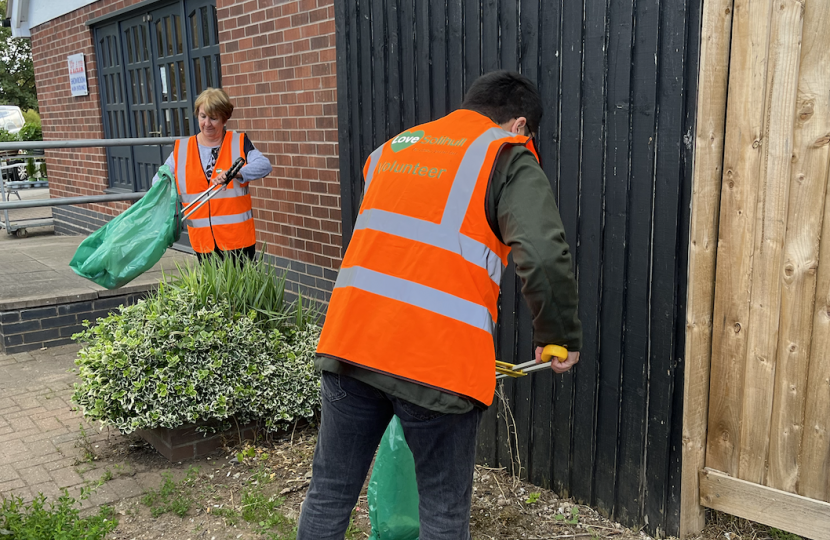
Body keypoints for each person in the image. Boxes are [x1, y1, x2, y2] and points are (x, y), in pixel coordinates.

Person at [298, 71, 583, 539]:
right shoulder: (505, 155)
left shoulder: (392, 150)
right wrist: (559, 336)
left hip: (351, 344)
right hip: (436, 364)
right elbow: (544, 254)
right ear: (519, 125)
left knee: (329, 492)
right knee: (443, 512)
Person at [153, 88, 272, 261]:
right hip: (203, 241)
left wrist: (237, 173)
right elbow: (158, 181)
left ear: (225, 119)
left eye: (213, 118)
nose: (207, 123)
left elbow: (264, 165)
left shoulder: (239, 141)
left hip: (238, 240)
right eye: (203, 116)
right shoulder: (182, 149)